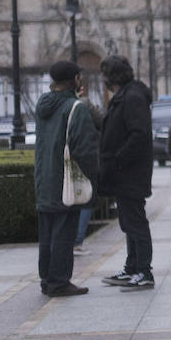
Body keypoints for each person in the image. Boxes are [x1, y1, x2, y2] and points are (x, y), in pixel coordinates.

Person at [30, 61, 100, 296]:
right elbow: (85, 149)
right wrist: (94, 174)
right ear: (74, 80)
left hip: (44, 180)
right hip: (65, 180)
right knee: (63, 232)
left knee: (47, 233)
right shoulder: (75, 107)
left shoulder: (42, 105)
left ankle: (47, 279)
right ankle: (59, 281)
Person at [95, 55, 155, 290]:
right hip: (124, 173)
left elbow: (138, 135)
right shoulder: (125, 96)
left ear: (112, 76)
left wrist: (118, 160)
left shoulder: (132, 97)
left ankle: (144, 271)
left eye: (105, 76)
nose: (103, 81)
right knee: (128, 223)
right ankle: (132, 268)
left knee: (136, 222)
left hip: (130, 173)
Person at [71, 71, 105, 255]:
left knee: (70, 199)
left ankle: (67, 240)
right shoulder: (83, 104)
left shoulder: (57, 104)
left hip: (67, 158)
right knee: (86, 199)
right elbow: (101, 121)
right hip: (85, 156)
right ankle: (77, 241)